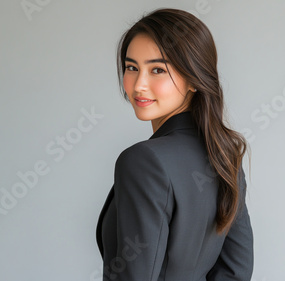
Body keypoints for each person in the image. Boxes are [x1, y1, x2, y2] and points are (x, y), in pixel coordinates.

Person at [95, 8, 254, 281]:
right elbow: (236, 272)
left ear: (194, 78)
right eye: (132, 67)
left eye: (157, 69)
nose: (139, 85)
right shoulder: (224, 156)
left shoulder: (143, 160)